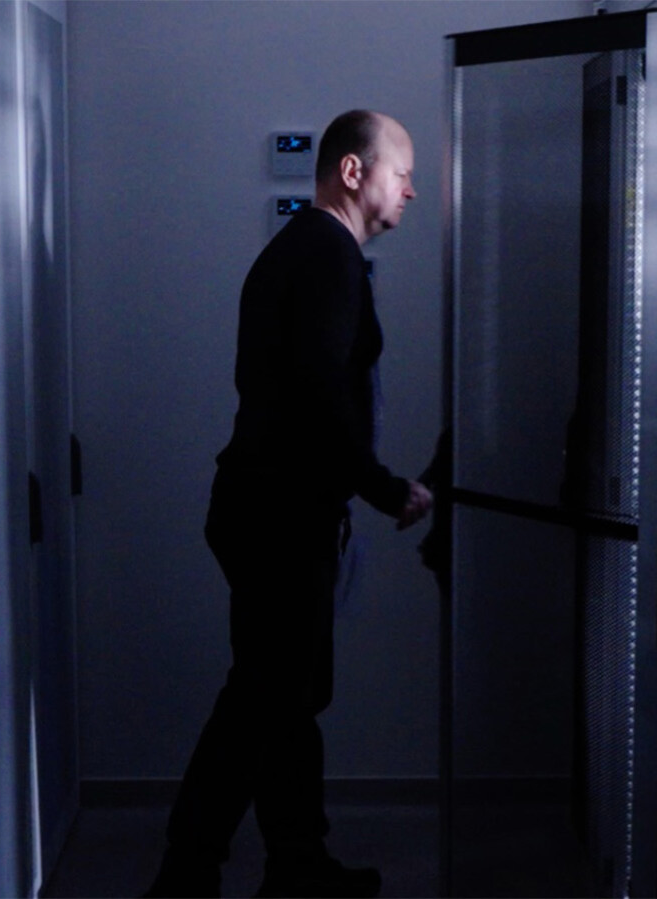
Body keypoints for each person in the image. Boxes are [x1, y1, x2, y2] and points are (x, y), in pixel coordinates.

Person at [145, 110, 432, 899]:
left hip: (274, 510)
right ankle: (186, 870)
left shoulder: (314, 253)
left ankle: (296, 861)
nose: (412, 186)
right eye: (401, 169)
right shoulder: (326, 256)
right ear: (351, 172)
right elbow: (316, 397)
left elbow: (317, 392)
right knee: (266, 695)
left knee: (289, 697)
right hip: (278, 516)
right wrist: (382, 487)